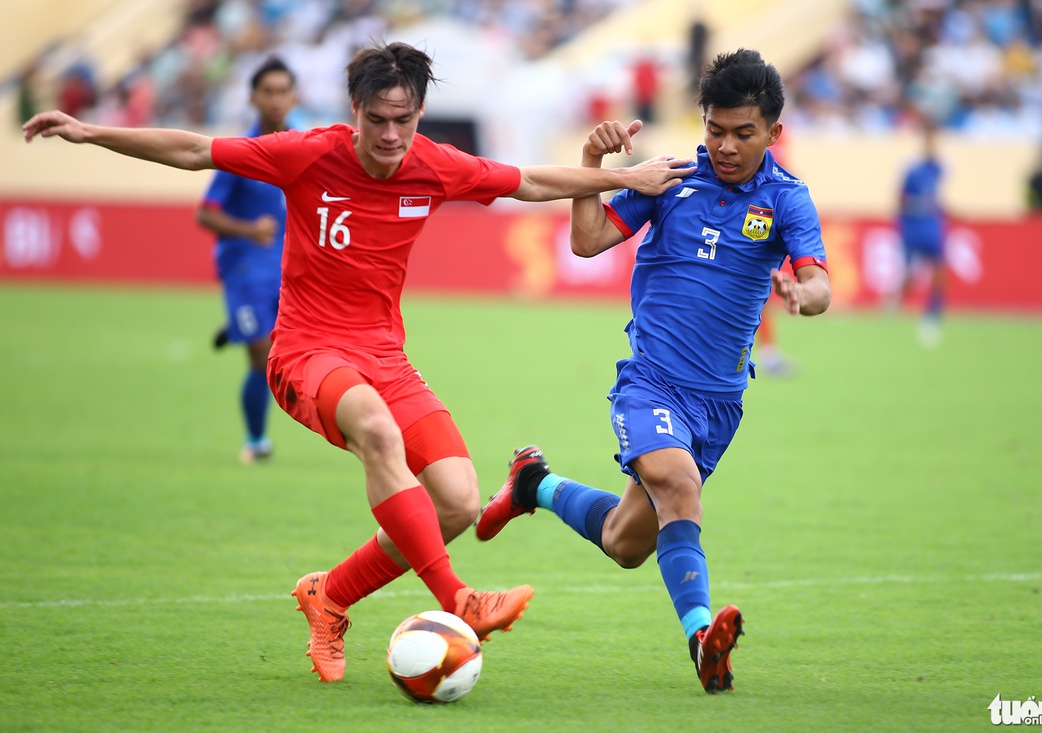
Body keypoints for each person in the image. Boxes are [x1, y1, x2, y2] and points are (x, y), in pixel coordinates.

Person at [23, 41, 693, 685]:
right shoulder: (308, 153)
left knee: (457, 502)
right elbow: (197, 150)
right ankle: (459, 599)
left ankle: (330, 594)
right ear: (354, 110)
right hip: (306, 352)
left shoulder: (434, 164)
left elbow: (531, 181)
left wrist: (623, 178)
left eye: (404, 120)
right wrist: (89, 132)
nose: (391, 135)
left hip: (384, 354)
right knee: (376, 428)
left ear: (419, 115)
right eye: (377, 120)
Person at [476, 49, 830, 694]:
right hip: (651, 383)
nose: (725, 146)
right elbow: (586, 243)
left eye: (743, 133)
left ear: (773, 133)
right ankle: (702, 641)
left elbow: (818, 283)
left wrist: (803, 295)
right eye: (714, 129)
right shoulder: (667, 179)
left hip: (719, 403)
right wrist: (595, 167)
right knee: (678, 484)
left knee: (626, 542)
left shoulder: (787, 200)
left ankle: (535, 485)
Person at [197, 56, 296, 464]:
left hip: (285, 270)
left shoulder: (301, 150)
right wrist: (248, 230)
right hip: (243, 267)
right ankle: (256, 443)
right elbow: (206, 212)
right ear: (254, 96)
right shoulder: (240, 152)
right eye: (267, 91)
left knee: (287, 352)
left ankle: (237, 323)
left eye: (283, 91)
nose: (276, 99)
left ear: (294, 96)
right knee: (261, 357)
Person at [893, 122, 947, 348]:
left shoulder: (939, 169)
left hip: (932, 227)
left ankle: (932, 313)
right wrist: (917, 207)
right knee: (910, 274)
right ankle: (896, 306)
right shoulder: (913, 171)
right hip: (914, 227)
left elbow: (936, 197)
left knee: (939, 271)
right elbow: (901, 200)